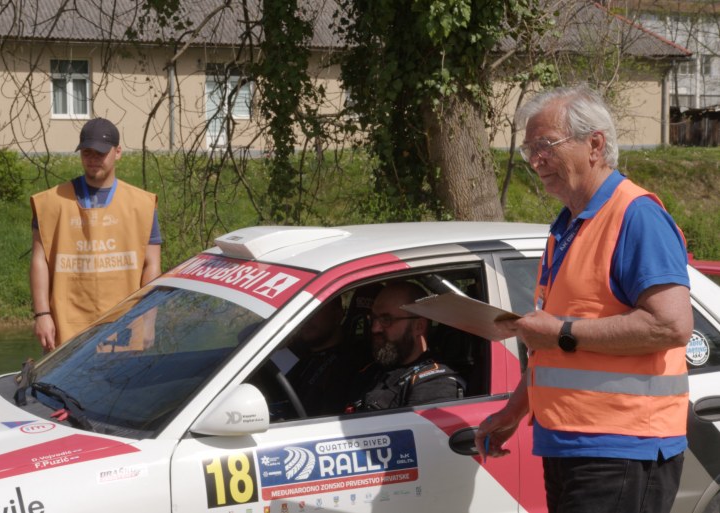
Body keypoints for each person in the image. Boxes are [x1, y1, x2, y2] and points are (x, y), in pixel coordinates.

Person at [475, 85, 693, 513]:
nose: (535, 161)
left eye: (546, 145)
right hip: (571, 444)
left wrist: (560, 332)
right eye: (529, 149)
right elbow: (555, 348)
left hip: (622, 446)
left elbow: (671, 325)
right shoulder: (568, 226)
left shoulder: (636, 215)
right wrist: (514, 410)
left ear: (595, 144)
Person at [30, 118, 162, 351]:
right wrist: (42, 314)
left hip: (125, 324)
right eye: (87, 153)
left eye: (100, 153)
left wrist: (149, 321)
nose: (92, 159)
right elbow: (40, 259)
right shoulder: (52, 203)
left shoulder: (141, 204)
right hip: (67, 325)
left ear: (117, 152)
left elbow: (151, 265)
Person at [348, 281, 465, 411]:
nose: (375, 328)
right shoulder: (371, 370)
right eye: (373, 318)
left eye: (386, 319)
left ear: (419, 326)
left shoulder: (435, 383)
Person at [285, 297, 359, 416]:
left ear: (338, 315)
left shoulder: (350, 364)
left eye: (315, 310)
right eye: (302, 311)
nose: (306, 318)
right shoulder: (291, 351)